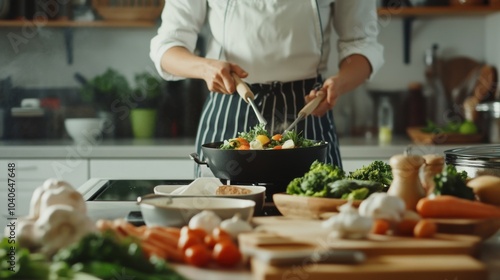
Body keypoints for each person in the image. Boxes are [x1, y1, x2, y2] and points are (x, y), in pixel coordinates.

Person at [150, 0, 384, 177]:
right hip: (231, 99)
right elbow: (168, 46)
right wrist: (205, 68)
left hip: (308, 107)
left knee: (317, 217)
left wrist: (339, 83)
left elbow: (361, 42)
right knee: (216, 222)